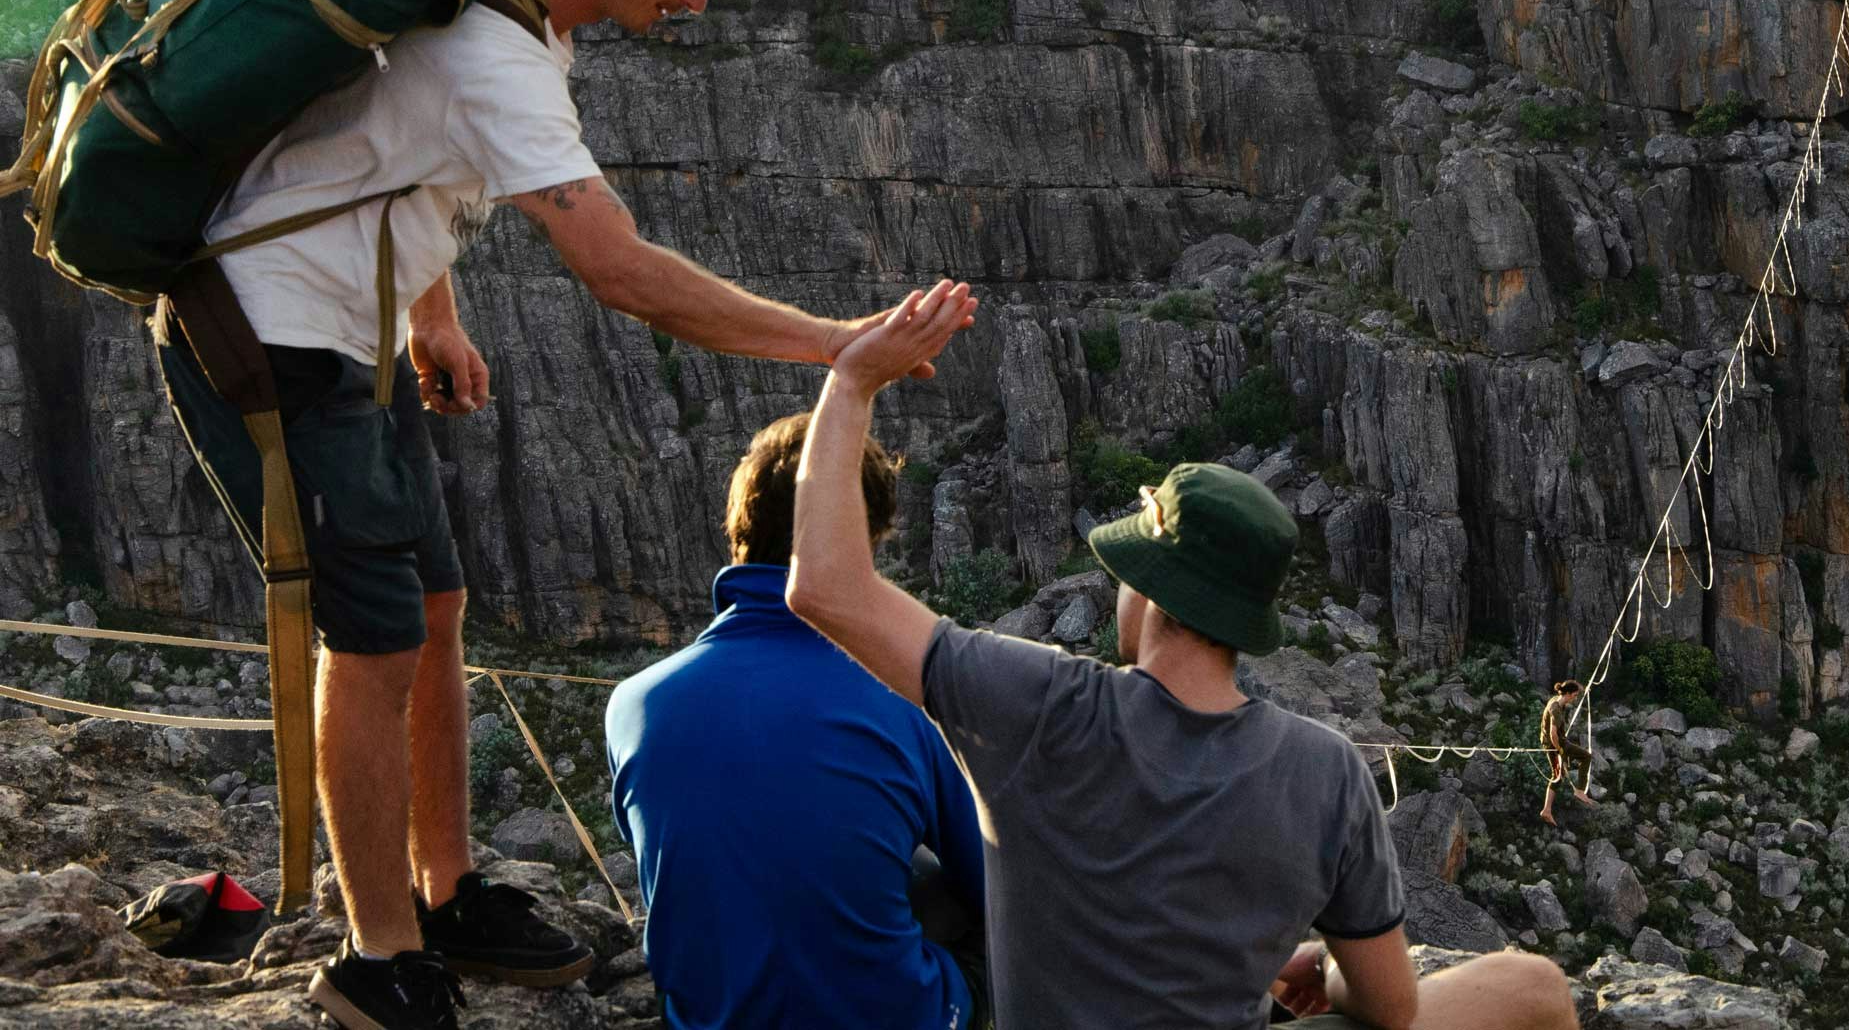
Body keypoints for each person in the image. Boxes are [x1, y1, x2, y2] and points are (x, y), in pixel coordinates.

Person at [157, 0, 926, 1030]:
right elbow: (618, 270)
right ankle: (379, 958)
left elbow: (394, 155)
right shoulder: (499, 49)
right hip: (269, 338)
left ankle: (447, 886)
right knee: (368, 640)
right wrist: (838, 345)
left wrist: (433, 315)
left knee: (433, 606)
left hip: (351, 331)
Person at [784, 280, 1581, 1030]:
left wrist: (852, 383)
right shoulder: (1328, 773)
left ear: (1153, 592)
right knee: (1535, 987)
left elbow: (825, 587)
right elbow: (1393, 1009)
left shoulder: (1033, 703)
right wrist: (1320, 965)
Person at [604, 412, 989, 1030]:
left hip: (708, 1018)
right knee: (938, 877)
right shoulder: (906, 696)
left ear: (738, 534)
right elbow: (993, 883)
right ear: (863, 547)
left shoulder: (632, 704)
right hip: (895, 1016)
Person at [1538, 680, 1595, 827]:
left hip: (1556, 742)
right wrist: (1560, 751)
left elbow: (1573, 686)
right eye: (1574, 695)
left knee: (1559, 776)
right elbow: (1553, 734)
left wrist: (1583, 688)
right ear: (1568, 694)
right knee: (1585, 757)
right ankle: (1580, 791)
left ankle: (1546, 810)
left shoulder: (1557, 699)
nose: (1575, 698)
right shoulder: (1556, 709)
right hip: (1554, 744)